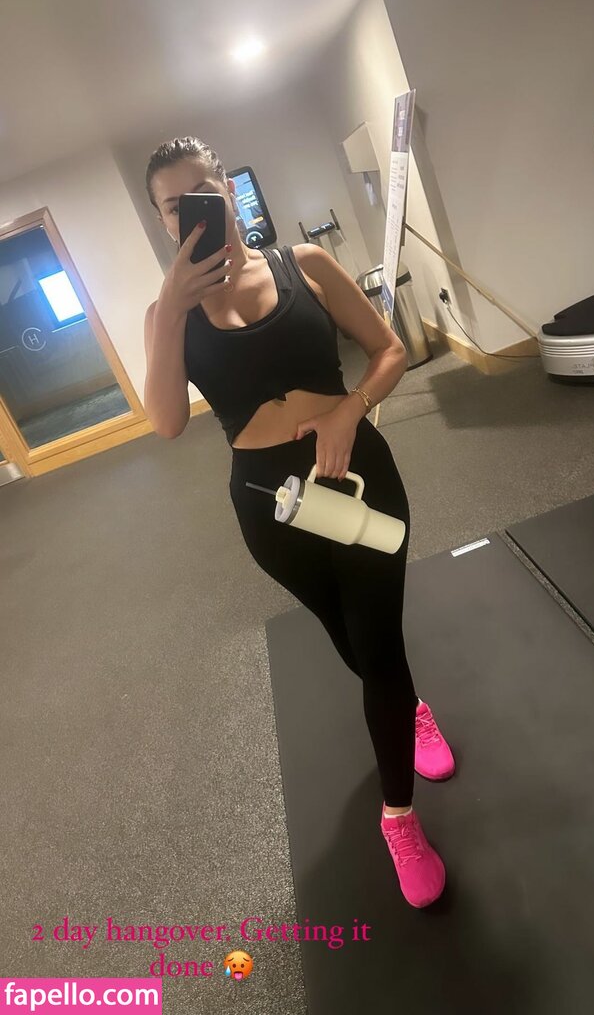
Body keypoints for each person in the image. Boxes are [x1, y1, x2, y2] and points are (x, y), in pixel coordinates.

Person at [143, 136, 455, 909]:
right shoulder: (166, 315)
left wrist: (351, 409)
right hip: (271, 503)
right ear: (163, 220)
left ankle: (398, 817)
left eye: (203, 193)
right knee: (347, 634)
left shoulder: (303, 266)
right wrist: (171, 310)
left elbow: (387, 351)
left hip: (357, 473)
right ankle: (410, 709)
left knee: (378, 642)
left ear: (228, 190)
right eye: (174, 207)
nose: (192, 214)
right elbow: (167, 422)